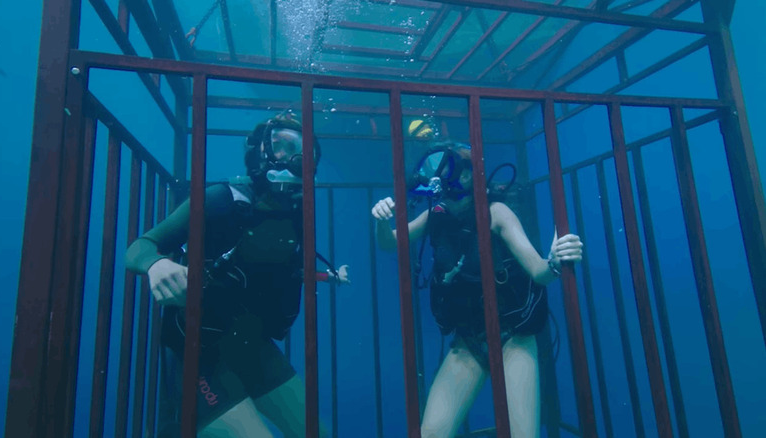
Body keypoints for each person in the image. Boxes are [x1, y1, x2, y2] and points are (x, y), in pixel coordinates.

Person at [125, 113, 348, 437]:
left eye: (304, 152)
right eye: (281, 146)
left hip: (252, 344)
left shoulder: (298, 216)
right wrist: (156, 264)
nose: (293, 158)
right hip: (200, 349)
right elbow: (141, 246)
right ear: (259, 151)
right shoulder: (221, 199)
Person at [371, 142, 583, 438]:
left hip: (514, 338)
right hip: (466, 341)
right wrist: (381, 222)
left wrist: (556, 261)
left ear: (469, 176)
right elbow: (390, 242)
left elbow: (538, 271)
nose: (437, 176)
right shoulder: (436, 215)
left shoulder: (496, 212)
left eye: (447, 167)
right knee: (430, 434)